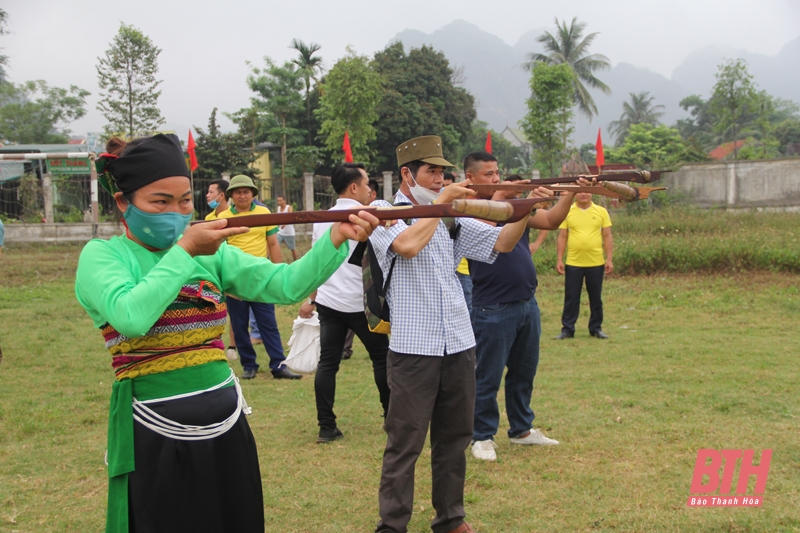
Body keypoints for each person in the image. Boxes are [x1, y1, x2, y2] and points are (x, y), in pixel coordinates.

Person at [75, 133, 379, 533]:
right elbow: (132, 316)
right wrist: (185, 250)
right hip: (154, 432)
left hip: (226, 424)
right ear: (123, 203)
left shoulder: (212, 253)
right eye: (159, 202)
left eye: (184, 201)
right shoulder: (103, 256)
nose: (176, 212)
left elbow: (284, 284)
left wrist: (337, 239)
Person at [370, 135, 537, 533]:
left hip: (459, 342)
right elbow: (407, 246)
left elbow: (501, 242)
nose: (440, 177)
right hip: (414, 347)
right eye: (432, 171)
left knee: (454, 438)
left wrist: (526, 208)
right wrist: (443, 201)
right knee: (405, 442)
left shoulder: (449, 213)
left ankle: (450, 518)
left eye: (443, 171)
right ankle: (392, 524)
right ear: (407, 174)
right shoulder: (383, 211)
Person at [464, 154, 589, 462]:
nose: (497, 178)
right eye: (489, 174)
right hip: (491, 307)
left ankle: (521, 429)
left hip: (526, 303)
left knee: (523, 373)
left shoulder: (511, 206)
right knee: (487, 376)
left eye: (498, 173)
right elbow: (487, 227)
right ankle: (481, 435)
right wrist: (513, 198)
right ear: (470, 179)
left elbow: (550, 220)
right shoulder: (465, 212)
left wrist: (570, 191)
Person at [297, 163, 391, 443]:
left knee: (328, 363)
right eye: (365, 184)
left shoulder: (322, 217)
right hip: (361, 304)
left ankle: (326, 427)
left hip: (329, 301)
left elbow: (316, 260)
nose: (369, 189)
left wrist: (313, 298)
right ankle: (391, 418)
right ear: (353, 187)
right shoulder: (366, 215)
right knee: (382, 359)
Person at [218, 175, 298, 379]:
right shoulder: (224, 217)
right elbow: (220, 250)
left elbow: (272, 244)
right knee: (239, 323)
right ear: (231, 196)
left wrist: (278, 272)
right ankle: (249, 365)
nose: (242, 195)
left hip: (261, 276)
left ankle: (278, 365)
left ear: (253, 194)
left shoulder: (263, 213)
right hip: (234, 279)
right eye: (238, 192)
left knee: (268, 322)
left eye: (246, 191)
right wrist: (224, 282)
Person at [555, 191, 614, 339]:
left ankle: (596, 328)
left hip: (596, 262)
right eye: (579, 191)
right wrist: (559, 259)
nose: (583, 194)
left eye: (586, 191)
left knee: (595, 297)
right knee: (571, 297)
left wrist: (609, 259)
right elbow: (562, 236)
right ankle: (567, 329)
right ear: (575, 194)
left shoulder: (601, 211)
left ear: (592, 193)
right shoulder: (567, 211)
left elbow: (607, 236)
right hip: (574, 262)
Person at [443, 172, 473, 311]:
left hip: (464, 269)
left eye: (449, 187)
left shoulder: (462, 207)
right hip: (449, 270)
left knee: (466, 308)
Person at [276, 195, 298, 261]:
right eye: (278, 201)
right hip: (280, 232)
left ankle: (296, 261)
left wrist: (284, 224)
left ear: (284, 201)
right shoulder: (278, 208)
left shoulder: (289, 207)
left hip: (289, 232)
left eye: (280, 200)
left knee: (292, 249)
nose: (279, 202)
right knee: (275, 246)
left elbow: (290, 217)